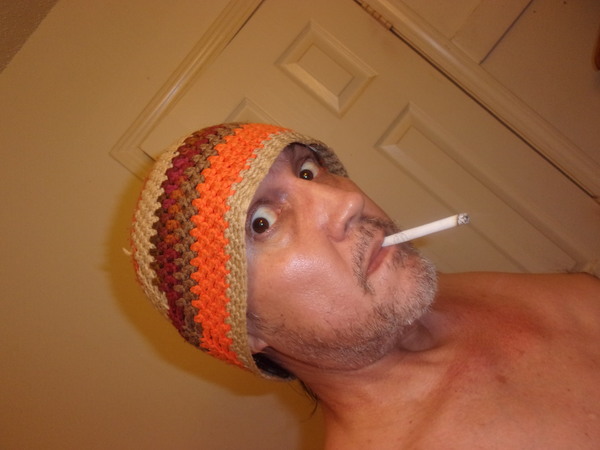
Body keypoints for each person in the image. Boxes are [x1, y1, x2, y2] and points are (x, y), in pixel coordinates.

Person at [131, 122, 600, 448]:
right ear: (244, 330)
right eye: (261, 223)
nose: (348, 201)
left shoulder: (455, 295)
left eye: (308, 170)